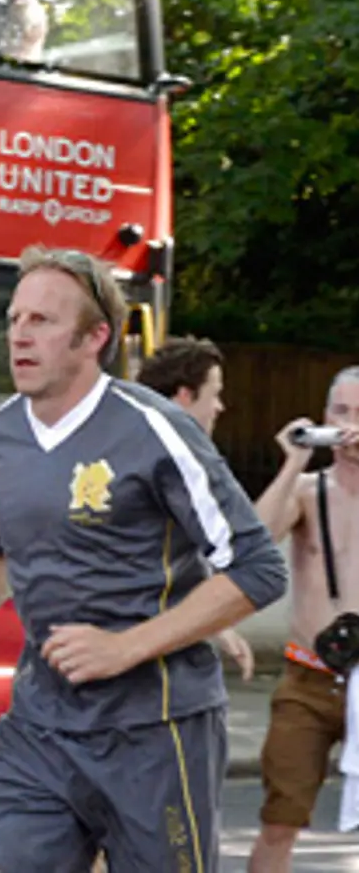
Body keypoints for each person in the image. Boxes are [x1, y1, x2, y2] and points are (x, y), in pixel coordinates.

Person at [0, 246, 288, 872]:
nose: (19, 337)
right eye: (13, 319)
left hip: (156, 730)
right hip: (40, 726)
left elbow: (256, 568)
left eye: (43, 321)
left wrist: (126, 647)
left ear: (95, 338)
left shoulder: (155, 429)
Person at [247, 367, 359, 871]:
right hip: (308, 678)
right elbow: (253, 541)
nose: (350, 425)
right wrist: (292, 463)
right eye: (341, 412)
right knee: (280, 820)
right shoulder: (308, 491)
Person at [137, 334, 256, 680]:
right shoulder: (177, 465)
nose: (220, 407)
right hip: (146, 657)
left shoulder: (122, 446)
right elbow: (255, 563)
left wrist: (216, 626)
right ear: (185, 396)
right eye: (215, 394)